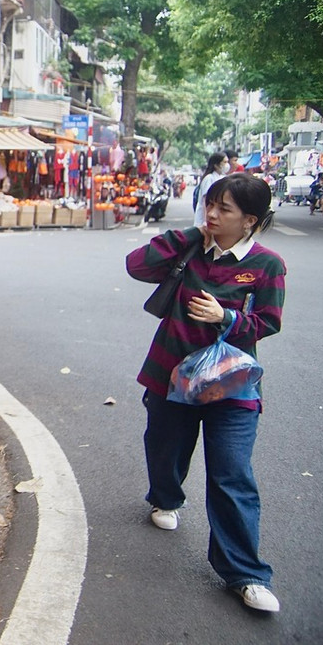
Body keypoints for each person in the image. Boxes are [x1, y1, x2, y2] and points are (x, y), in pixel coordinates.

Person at [126, 174, 285, 613]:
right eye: (209, 205)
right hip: (170, 371)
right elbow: (136, 265)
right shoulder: (191, 246)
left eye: (224, 209)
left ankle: (246, 573)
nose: (212, 214)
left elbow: (268, 323)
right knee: (164, 448)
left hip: (232, 385)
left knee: (232, 474)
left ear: (250, 220)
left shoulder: (267, 265)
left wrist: (227, 318)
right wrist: (194, 232)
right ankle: (165, 496)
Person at [192, 152, 229, 227]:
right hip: (204, 220)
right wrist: (206, 220)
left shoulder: (222, 177)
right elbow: (206, 201)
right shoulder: (209, 178)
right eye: (224, 162)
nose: (227, 165)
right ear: (216, 165)